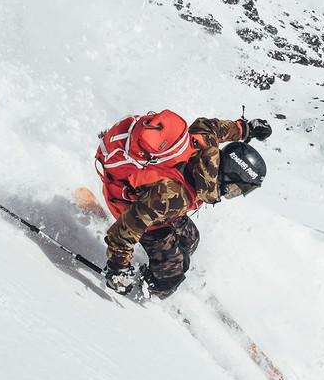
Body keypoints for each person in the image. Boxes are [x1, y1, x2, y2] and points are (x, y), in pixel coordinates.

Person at [97, 112, 271, 298]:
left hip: (154, 200)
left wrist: (246, 129)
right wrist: (118, 267)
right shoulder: (176, 196)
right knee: (173, 271)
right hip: (125, 201)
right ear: (228, 177)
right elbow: (127, 227)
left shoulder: (206, 145)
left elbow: (211, 126)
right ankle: (149, 292)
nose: (231, 194)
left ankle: (164, 265)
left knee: (191, 238)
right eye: (235, 190)